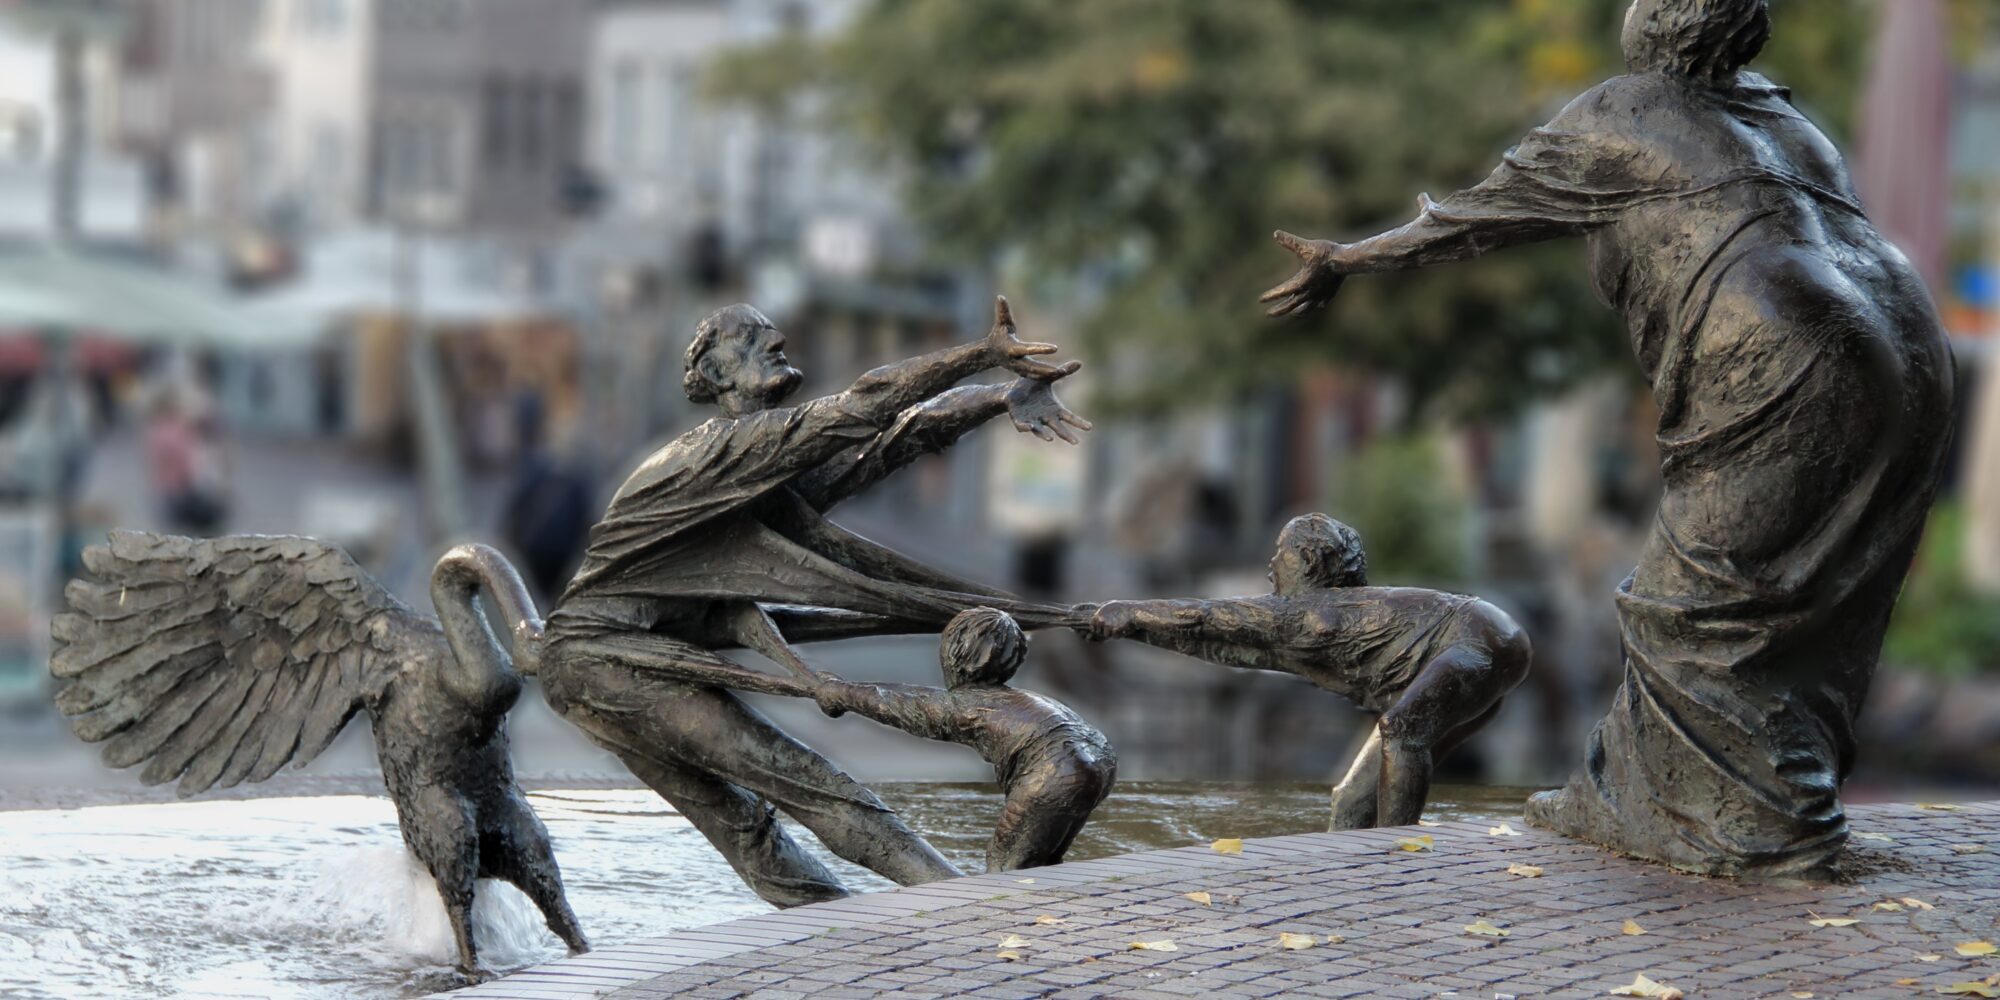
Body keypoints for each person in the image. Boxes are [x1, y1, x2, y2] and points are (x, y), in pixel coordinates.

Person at [1258, 0, 1953, 875]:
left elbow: (1469, 220)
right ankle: (1675, 795)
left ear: (1657, 25)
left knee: (1695, 601)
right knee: (1813, 591)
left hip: (1782, 349)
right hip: (1912, 345)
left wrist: (1345, 259)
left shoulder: (1623, 111)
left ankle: (1746, 828)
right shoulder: (1786, 118)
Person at [538, 298, 1089, 907]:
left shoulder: (766, 465)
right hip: (601, 659)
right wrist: (979, 356)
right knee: (812, 785)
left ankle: (834, 940)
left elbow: (896, 437)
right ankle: (966, 914)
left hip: (593, 661)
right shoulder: (724, 450)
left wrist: (996, 398)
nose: (774, 338)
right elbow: (866, 403)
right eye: (749, 337)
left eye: (769, 331)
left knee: (745, 825)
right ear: (717, 375)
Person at [1079, 514, 1529, 829]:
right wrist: (1129, 628)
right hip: (1488, 646)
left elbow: (1207, 616)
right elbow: (1224, 647)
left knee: (1401, 729)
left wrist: (1129, 610)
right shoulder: (1321, 618)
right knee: (1352, 799)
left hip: (1481, 641)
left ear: (1309, 564)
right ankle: (1341, 870)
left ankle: (1395, 855)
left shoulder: (1315, 613)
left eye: (1281, 554)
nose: (1272, 566)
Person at [813, 607, 1116, 872]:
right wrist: (842, 689)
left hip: (1056, 773)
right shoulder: (1020, 699)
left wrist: (839, 694)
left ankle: (1006, 926)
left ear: (956, 654)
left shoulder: (969, 704)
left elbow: (899, 706)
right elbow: (909, 695)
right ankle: (1044, 913)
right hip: (1099, 761)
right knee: (1042, 857)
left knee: (1006, 865)